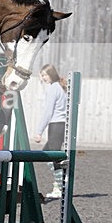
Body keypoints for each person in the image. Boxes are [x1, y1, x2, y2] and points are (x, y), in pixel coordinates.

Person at [33, 64, 68, 200]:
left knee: (53, 157)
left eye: (45, 75)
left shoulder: (53, 89)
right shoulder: (61, 86)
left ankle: (59, 187)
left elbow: (48, 112)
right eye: (42, 76)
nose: (43, 78)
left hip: (55, 124)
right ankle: (60, 184)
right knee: (49, 155)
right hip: (61, 125)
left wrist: (39, 131)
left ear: (51, 74)